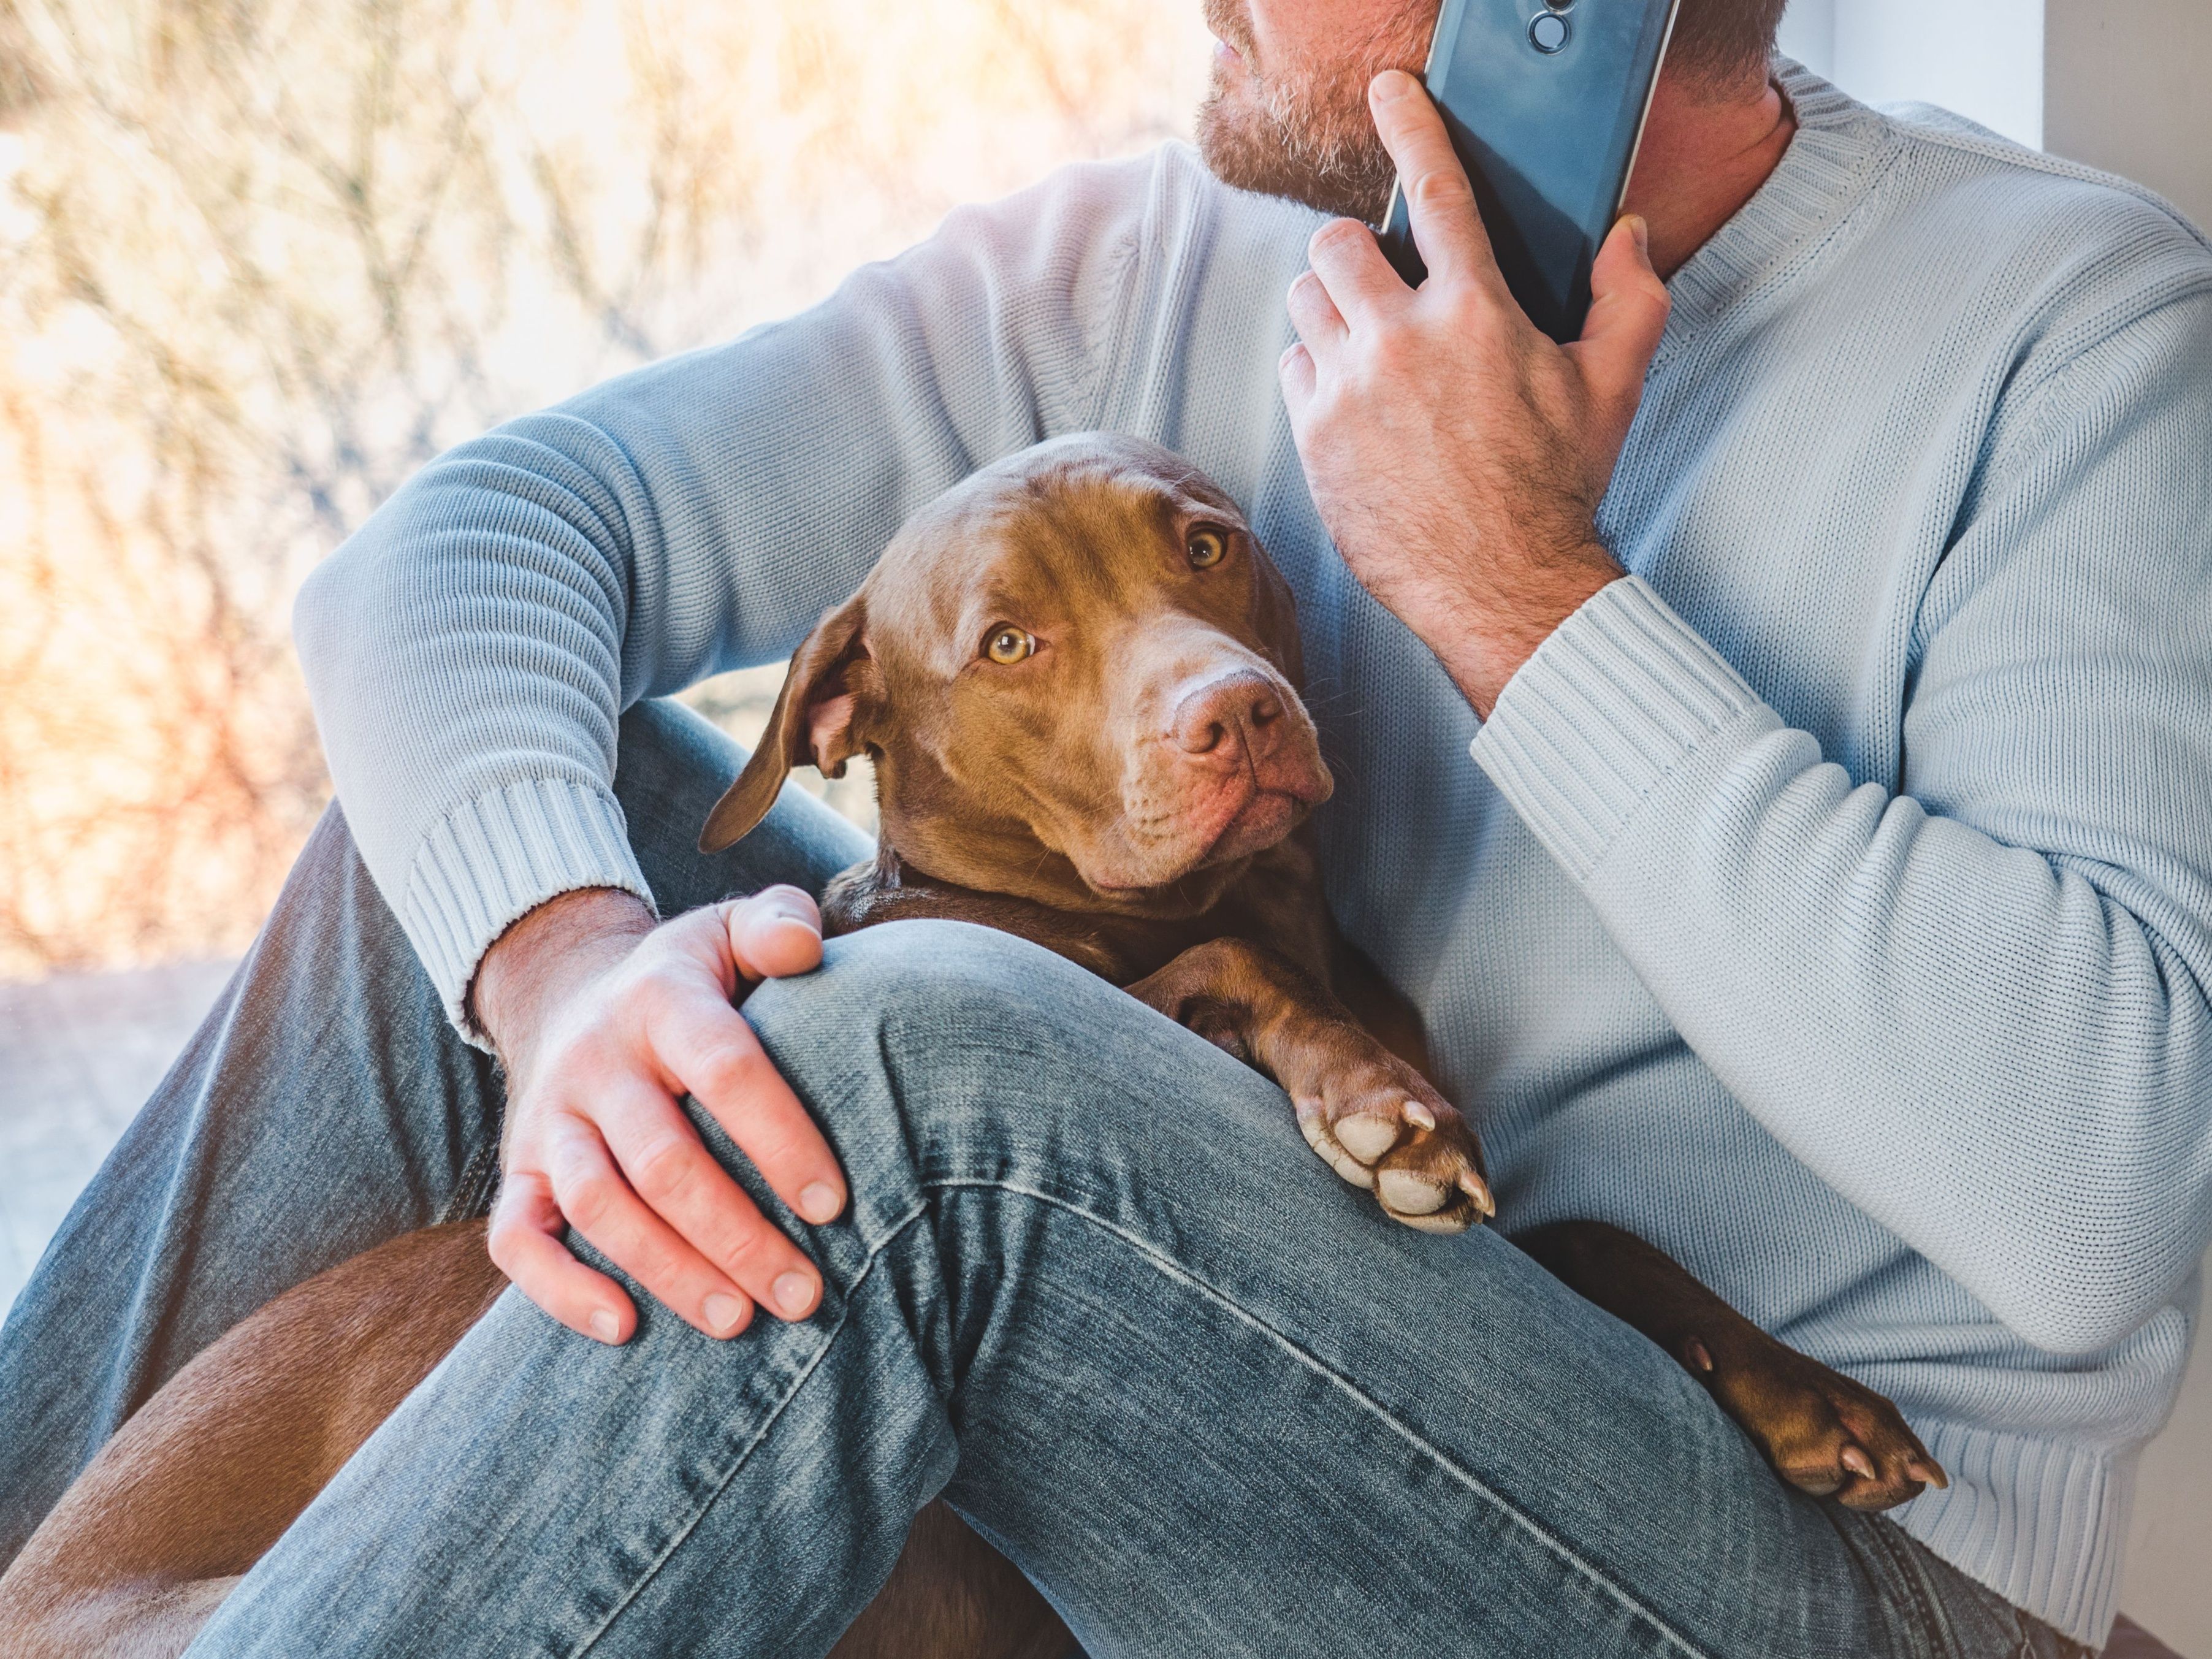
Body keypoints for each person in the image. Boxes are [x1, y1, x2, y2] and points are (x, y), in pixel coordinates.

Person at [3, 0, 2208, 1650]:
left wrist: (1524, 598)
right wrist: (573, 971)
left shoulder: (2071, 328)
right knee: (483, 886)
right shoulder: (1195, 244)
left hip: (1805, 1565)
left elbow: (2104, 1203)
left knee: (911, 1067)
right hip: (1288, 1308)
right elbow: (467, 552)